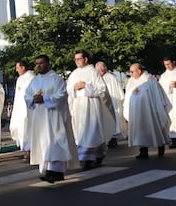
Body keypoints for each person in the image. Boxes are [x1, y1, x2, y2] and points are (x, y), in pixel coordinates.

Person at [24, 55, 78, 183]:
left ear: (48, 64)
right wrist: (33, 99)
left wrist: (45, 99)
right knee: (44, 143)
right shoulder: (34, 81)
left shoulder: (56, 79)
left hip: (54, 118)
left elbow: (61, 95)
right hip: (40, 118)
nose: (38, 66)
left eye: (41, 63)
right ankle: (48, 170)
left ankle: (55, 171)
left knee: (55, 142)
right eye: (37, 63)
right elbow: (27, 95)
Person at [67, 50, 116, 170]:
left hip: (92, 108)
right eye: (75, 59)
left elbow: (102, 89)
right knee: (82, 132)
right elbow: (68, 88)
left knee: (92, 132)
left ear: (85, 59)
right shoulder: (74, 73)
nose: (77, 61)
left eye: (79, 59)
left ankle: (87, 159)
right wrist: (74, 87)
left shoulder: (93, 72)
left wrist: (86, 86)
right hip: (79, 109)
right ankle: (98, 155)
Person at [123, 63, 172, 159]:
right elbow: (128, 96)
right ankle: (143, 151)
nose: (131, 73)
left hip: (150, 111)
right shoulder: (131, 82)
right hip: (136, 112)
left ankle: (160, 145)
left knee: (154, 128)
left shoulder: (150, 80)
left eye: (132, 71)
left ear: (139, 71)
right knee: (140, 130)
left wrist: (157, 108)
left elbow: (157, 96)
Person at [95, 61, 127, 148]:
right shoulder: (97, 79)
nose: (100, 71)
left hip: (112, 102)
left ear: (104, 69)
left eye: (101, 69)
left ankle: (113, 138)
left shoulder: (111, 78)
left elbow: (116, 92)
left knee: (113, 119)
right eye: (98, 69)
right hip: (102, 102)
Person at [10, 60, 34, 162]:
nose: (16, 70)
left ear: (23, 67)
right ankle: (26, 150)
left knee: (28, 129)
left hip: (28, 108)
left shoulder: (32, 78)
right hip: (20, 109)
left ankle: (30, 151)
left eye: (17, 68)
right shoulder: (19, 79)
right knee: (21, 129)